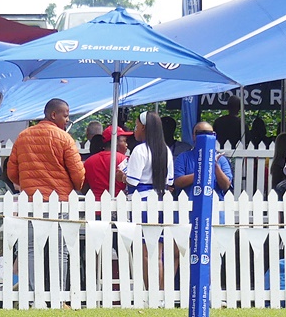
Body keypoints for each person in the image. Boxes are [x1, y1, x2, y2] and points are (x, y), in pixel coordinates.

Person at [124, 111, 174, 290]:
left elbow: (132, 181)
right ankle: (159, 292)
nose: (135, 130)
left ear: (143, 128)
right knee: (158, 252)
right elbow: (170, 182)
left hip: (142, 202)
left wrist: (121, 176)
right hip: (160, 200)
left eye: (136, 126)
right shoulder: (165, 150)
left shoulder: (140, 150)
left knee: (145, 252)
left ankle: (150, 292)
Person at [7, 98, 85, 199]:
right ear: (53, 115)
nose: (67, 120)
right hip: (59, 200)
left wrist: (28, 184)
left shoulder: (23, 136)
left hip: (31, 200)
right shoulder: (65, 138)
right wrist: (75, 187)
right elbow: (78, 175)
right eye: (65, 116)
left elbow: (12, 173)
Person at [173, 122, 233, 200]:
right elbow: (178, 182)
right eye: (201, 133)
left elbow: (226, 186)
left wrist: (214, 165)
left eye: (210, 133)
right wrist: (202, 172)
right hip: (188, 206)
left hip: (215, 205)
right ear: (194, 136)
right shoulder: (183, 157)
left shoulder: (221, 159)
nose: (206, 136)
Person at [82, 126, 128, 200]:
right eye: (124, 141)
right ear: (115, 142)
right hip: (119, 205)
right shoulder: (123, 160)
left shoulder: (89, 161)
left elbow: (84, 189)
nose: (126, 144)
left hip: (94, 206)